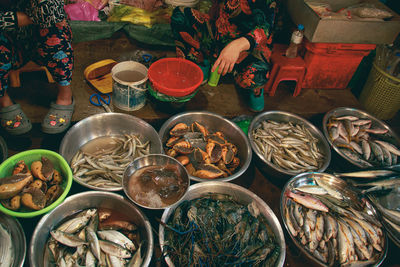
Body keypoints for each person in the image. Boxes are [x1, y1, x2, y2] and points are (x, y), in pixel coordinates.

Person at [171, 0, 278, 112]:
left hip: (248, 47)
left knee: (254, 77)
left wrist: (237, 45)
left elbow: (266, 28)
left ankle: (255, 90)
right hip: (220, 33)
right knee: (180, 15)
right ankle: (202, 62)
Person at [0, 0, 74, 135]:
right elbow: (48, 16)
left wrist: (14, 19)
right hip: (7, 41)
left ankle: (65, 97)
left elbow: (53, 13)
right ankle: (4, 100)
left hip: (41, 36)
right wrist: (37, 18)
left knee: (55, 31)